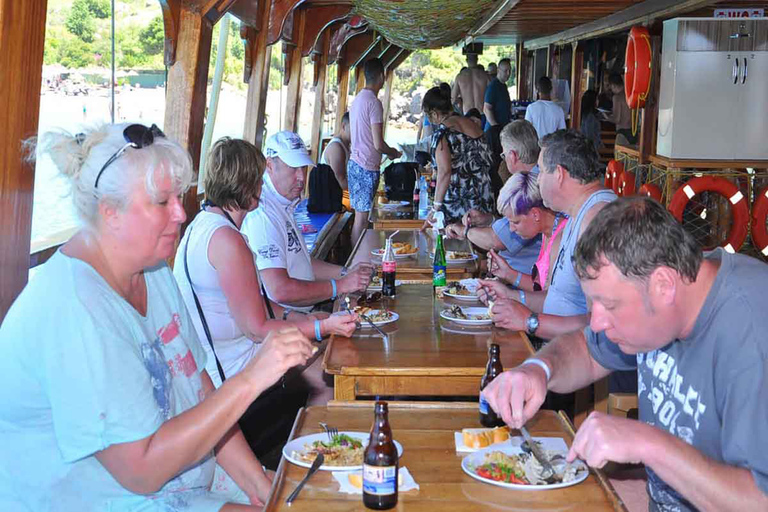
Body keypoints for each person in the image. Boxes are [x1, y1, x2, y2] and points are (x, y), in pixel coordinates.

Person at [0, 123, 315, 510]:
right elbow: (142, 471)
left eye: (179, 197)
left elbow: (202, 392)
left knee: (305, 502)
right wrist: (253, 377)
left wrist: (266, 491)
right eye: (162, 202)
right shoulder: (74, 309)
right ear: (109, 213)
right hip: (106, 497)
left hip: (181, 477)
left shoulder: (153, 271)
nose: (182, 213)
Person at [482, 196, 768, 512]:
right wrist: (538, 370)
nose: (597, 321)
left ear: (663, 285)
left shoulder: (753, 332)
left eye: (611, 305)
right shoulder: (660, 297)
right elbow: (587, 349)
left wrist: (648, 443)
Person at [175, 136, 357, 407]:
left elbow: (254, 304)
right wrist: (321, 327)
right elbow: (258, 329)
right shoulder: (228, 241)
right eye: (258, 178)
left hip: (230, 359)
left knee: (328, 356)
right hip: (231, 376)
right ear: (247, 184)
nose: (263, 183)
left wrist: (299, 316)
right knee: (334, 376)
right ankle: (310, 447)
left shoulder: (203, 225)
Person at [487, 129, 616, 341]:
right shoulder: (576, 216)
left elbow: (603, 326)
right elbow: (557, 298)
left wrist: (530, 321)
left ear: (559, 174)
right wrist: (510, 297)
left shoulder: (597, 220)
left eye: (541, 171)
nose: (537, 181)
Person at [242, 131, 373, 315]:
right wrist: (340, 286)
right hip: (285, 324)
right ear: (269, 165)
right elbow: (280, 290)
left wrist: (346, 272)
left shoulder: (283, 203)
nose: (302, 177)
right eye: (293, 168)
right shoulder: (263, 216)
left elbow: (301, 262)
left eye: (303, 168)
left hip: (302, 313)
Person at [445, 120, 542, 275]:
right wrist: (490, 220)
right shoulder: (537, 177)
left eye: (503, 154)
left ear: (513, 155)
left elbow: (497, 240)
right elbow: (514, 226)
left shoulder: (529, 187)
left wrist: (464, 231)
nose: (504, 159)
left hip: (521, 281)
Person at [481, 172, 567, 293]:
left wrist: (509, 295)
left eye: (515, 222)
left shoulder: (561, 236)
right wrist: (508, 273)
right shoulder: (546, 232)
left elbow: (550, 299)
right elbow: (539, 287)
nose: (511, 229)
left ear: (535, 214)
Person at [347, 58, 402, 245]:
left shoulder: (357, 100)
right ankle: (355, 262)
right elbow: (378, 143)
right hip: (366, 167)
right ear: (381, 76)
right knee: (362, 219)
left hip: (355, 163)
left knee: (361, 217)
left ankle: (359, 258)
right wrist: (393, 152)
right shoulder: (374, 103)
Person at [423, 83, 494, 224]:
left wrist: (435, 208)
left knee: (454, 245)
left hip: (459, 205)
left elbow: (444, 172)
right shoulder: (475, 126)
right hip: (484, 198)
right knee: (481, 244)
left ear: (435, 114)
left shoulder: (442, 134)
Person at [483, 58, 513, 196]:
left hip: (502, 130)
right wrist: (496, 127)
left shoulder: (503, 86)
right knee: (493, 165)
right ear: (498, 71)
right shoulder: (493, 86)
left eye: (509, 70)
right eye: (505, 70)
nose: (508, 73)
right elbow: (487, 109)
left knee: (499, 164)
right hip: (493, 132)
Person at [320, 111, 351, 190]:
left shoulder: (347, 145)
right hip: (329, 197)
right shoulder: (336, 148)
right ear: (344, 126)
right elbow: (341, 181)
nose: (358, 132)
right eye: (355, 128)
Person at [607, 72, 635, 145]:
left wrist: (606, 117)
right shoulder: (630, 95)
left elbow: (617, 119)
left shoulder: (617, 97)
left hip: (622, 133)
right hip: (633, 132)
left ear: (613, 85)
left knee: (619, 156)